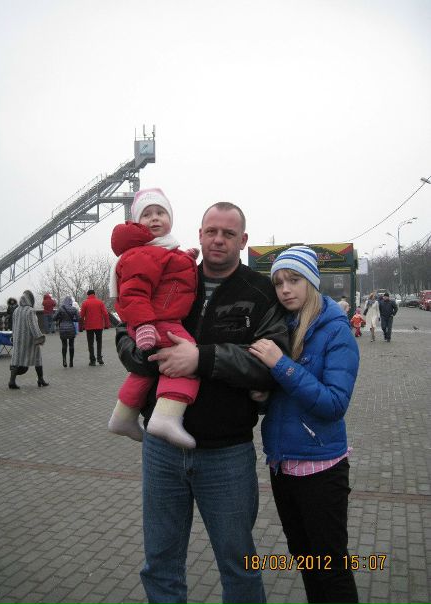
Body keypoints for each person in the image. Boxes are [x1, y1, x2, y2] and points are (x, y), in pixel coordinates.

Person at [115, 202, 289, 604]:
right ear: (199, 234)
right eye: (211, 231)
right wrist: (142, 354)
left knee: (239, 564)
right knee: (160, 562)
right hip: (161, 451)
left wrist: (201, 359)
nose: (218, 240)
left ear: (243, 240)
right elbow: (127, 327)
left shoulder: (261, 292)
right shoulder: (170, 270)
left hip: (226, 453)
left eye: (228, 233)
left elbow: (272, 364)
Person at [249, 245, 360, 604]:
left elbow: (334, 404)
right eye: (279, 282)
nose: (285, 289)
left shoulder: (335, 330)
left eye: (294, 280)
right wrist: (263, 397)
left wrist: (280, 365)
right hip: (282, 466)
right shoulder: (282, 326)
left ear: (311, 281)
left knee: (331, 567)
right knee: (305, 559)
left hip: (321, 469)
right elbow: (287, 398)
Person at [108, 188, 199, 448]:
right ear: (138, 223)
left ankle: (123, 417)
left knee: (144, 372)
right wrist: (144, 324)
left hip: (156, 320)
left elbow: (166, 276)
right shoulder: (144, 253)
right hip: (157, 322)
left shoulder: (159, 250)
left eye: (161, 212)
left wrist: (186, 259)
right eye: (147, 214)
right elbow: (134, 291)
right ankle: (166, 417)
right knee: (187, 360)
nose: (155, 218)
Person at [9, 290, 49, 389]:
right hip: (29, 340)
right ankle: (40, 379)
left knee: (16, 359)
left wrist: (14, 337)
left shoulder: (16, 311)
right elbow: (34, 326)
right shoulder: (30, 311)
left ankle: (12, 381)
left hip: (18, 340)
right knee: (37, 359)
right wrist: (39, 338)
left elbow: (13, 326)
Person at [80, 289, 110, 365]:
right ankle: (99, 358)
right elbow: (105, 314)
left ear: (87, 295)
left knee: (90, 343)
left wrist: (81, 327)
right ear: (94, 294)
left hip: (89, 326)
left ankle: (92, 360)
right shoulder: (100, 302)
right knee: (99, 342)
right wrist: (107, 325)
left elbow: (81, 316)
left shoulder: (85, 303)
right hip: (99, 326)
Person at [53, 296, 80, 367]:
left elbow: (54, 318)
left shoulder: (60, 308)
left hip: (62, 329)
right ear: (71, 302)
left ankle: (64, 360)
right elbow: (78, 319)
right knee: (71, 345)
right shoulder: (74, 309)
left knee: (64, 345)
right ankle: (71, 362)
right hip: (71, 328)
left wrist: (60, 318)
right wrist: (72, 319)